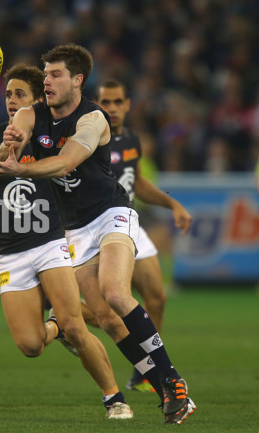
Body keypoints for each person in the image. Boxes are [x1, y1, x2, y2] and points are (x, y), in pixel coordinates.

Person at [0, 44, 195, 424]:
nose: (47, 80)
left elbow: (66, 162)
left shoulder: (93, 119)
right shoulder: (32, 113)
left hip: (111, 212)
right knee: (107, 320)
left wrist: (20, 171)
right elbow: (16, 136)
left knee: (115, 292)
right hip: (74, 228)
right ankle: (162, 385)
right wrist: (9, 147)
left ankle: (173, 381)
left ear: (77, 80)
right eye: (45, 74)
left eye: (56, 74)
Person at [0, 64, 133, 419]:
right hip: (9, 252)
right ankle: (54, 326)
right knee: (30, 345)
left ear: (36, 104)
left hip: (51, 243)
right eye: (9, 95)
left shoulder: (49, 145)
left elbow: (73, 170)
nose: (12, 102)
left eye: (21, 95)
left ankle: (114, 398)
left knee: (78, 327)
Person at [84, 79, 192, 391]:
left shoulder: (132, 140)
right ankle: (59, 319)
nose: (113, 109)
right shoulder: (90, 137)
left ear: (128, 105)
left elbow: (137, 181)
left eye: (118, 102)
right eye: (106, 102)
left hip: (128, 221)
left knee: (156, 297)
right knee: (104, 311)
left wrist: (172, 203)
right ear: (97, 104)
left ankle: (145, 371)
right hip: (96, 227)